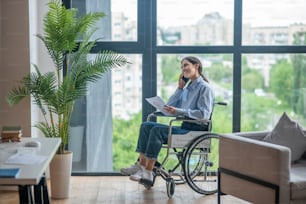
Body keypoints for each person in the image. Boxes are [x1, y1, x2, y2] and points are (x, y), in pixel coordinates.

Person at [120, 56, 215, 187]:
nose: (183, 69)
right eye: (182, 67)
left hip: (195, 130)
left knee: (156, 130)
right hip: (185, 126)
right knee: (146, 125)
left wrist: (180, 111)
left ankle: (148, 171)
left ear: (196, 66)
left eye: (186, 65)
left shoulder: (205, 88)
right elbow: (170, 106)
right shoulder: (187, 88)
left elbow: (204, 114)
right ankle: (141, 166)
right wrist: (180, 89)